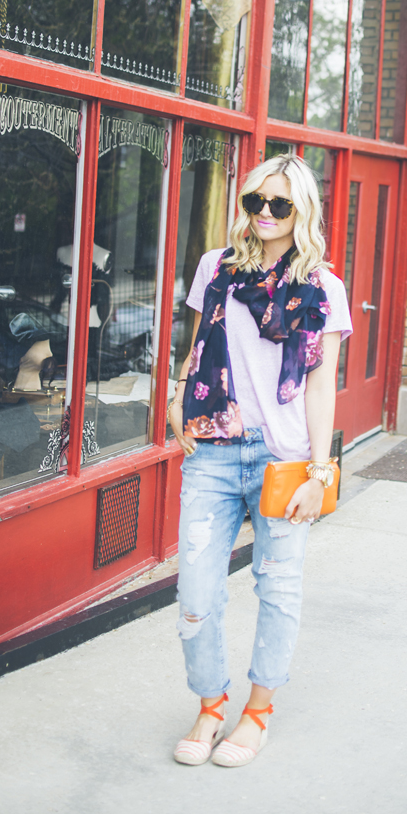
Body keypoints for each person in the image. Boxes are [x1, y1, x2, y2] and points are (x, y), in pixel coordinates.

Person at [168, 153, 352, 768]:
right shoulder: (215, 268)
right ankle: (211, 703)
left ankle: (257, 712)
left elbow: (321, 386)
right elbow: (200, 346)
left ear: (302, 211)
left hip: (284, 459)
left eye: (280, 205)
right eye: (256, 202)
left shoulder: (324, 287)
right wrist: (175, 394)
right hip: (214, 448)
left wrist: (321, 470)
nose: (266, 215)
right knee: (196, 590)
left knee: (277, 588)